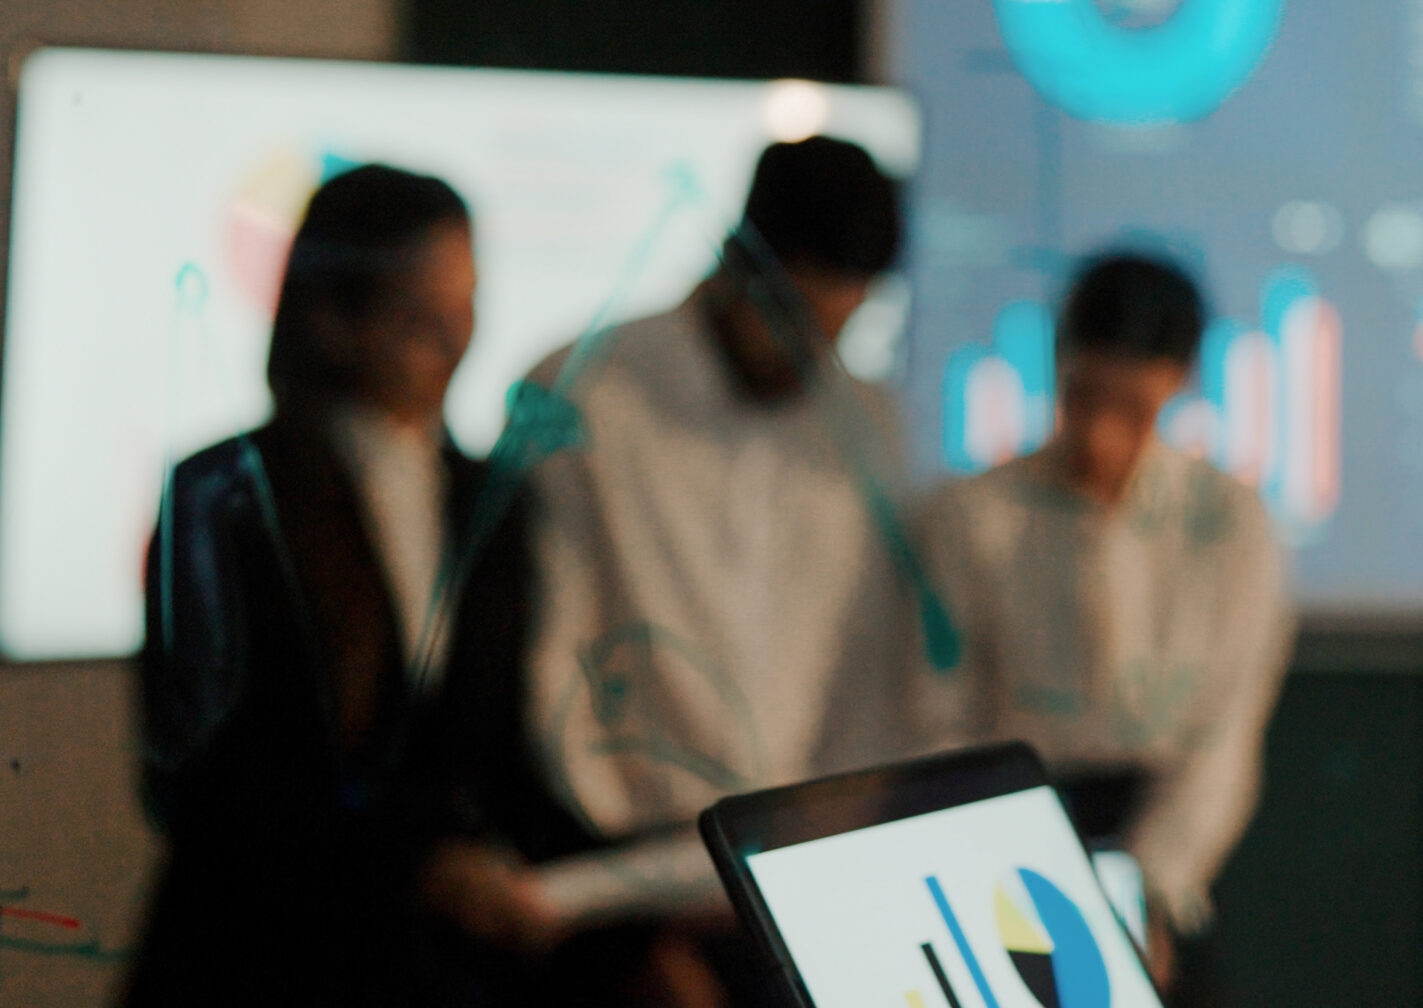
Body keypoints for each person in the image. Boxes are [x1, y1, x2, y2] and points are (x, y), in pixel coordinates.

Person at [129, 164, 562, 1007]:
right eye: (420, 320)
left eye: (466, 311)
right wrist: (423, 868)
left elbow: (500, 739)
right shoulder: (222, 496)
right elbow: (202, 778)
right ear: (328, 319)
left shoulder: (491, 497)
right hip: (260, 961)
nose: (455, 344)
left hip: (445, 971)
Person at [520, 135, 923, 1007]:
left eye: (837, 327)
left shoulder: (868, 427)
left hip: (798, 880)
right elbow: (541, 670)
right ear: (740, 264)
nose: (808, 352)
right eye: (791, 316)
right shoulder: (584, 392)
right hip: (614, 897)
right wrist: (633, 926)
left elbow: (866, 676)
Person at [913, 252, 1295, 1007]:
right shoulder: (975, 516)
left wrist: (1150, 889)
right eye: (1083, 398)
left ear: (1178, 384)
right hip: (1010, 834)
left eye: (1132, 408)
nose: (1100, 436)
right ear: (1058, 365)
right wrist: (1002, 869)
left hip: (1157, 844)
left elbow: (1222, 736)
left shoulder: (1230, 523)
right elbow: (941, 719)